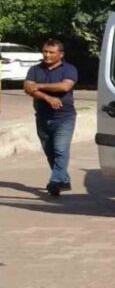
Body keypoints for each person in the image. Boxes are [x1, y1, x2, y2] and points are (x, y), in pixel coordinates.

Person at [23, 38, 78, 197]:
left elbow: (64, 86)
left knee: (60, 149)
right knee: (50, 152)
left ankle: (54, 182)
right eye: (45, 51)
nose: (47, 55)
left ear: (60, 54)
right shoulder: (35, 69)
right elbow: (28, 88)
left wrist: (38, 86)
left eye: (51, 52)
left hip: (64, 117)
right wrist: (48, 98)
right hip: (42, 116)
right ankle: (64, 180)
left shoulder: (69, 69)